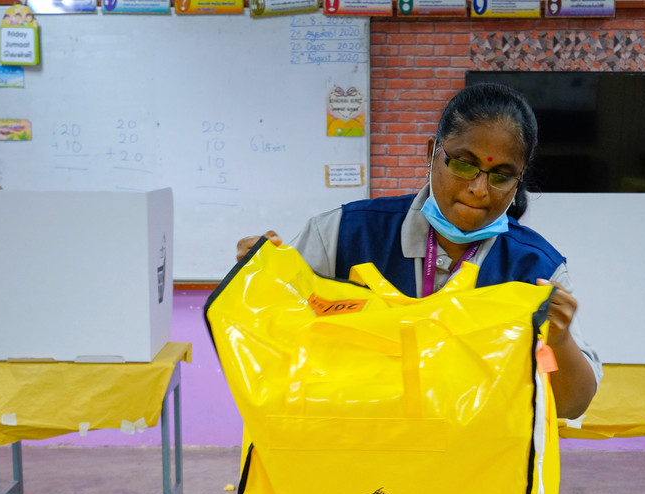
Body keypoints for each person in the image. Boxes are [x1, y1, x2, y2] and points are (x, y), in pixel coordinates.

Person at [235, 83, 600, 420]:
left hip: (474, 474)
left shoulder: (535, 268)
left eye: (501, 175)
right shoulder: (343, 235)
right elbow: (269, 338)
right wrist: (259, 274)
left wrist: (560, 340)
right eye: (462, 163)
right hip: (357, 459)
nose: (478, 188)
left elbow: (570, 404)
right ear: (431, 154)